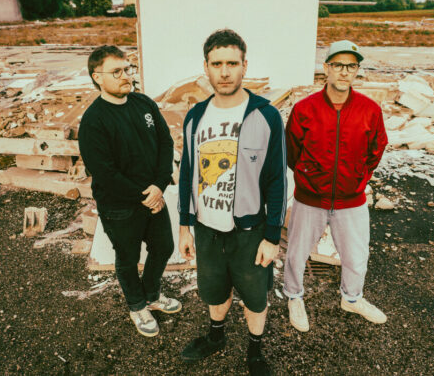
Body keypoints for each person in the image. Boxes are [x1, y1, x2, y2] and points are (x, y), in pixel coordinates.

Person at [178, 29, 286, 376]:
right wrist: (185, 225)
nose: (224, 72)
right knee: (214, 292)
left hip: (249, 232)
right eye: (216, 64)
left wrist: (272, 237)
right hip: (207, 229)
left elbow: (277, 180)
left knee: (255, 297)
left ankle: (255, 352)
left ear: (244, 66)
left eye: (232, 63)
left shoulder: (266, 115)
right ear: (206, 67)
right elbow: (187, 173)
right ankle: (216, 337)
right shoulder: (195, 116)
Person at [283, 40, 388, 332]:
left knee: (356, 255)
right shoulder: (305, 109)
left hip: (351, 199)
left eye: (351, 66)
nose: (344, 71)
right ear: (326, 68)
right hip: (309, 199)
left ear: (357, 70)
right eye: (338, 65)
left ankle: (352, 299)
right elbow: (291, 151)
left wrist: (359, 176)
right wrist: (308, 176)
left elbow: (376, 148)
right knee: (296, 253)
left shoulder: (369, 109)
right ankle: (294, 296)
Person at [78, 45, 181, 338]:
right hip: (120, 206)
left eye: (128, 69)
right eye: (117, 72)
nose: (126, 76)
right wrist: (146, 195)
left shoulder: (143, 103)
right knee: (127, 257)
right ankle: (137, 306)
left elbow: (165, 143)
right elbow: (105, 173)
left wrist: (159, 186)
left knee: (163, 247)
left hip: (154, 196)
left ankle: (151, 295)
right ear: (97, 77)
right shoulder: (94, 121)